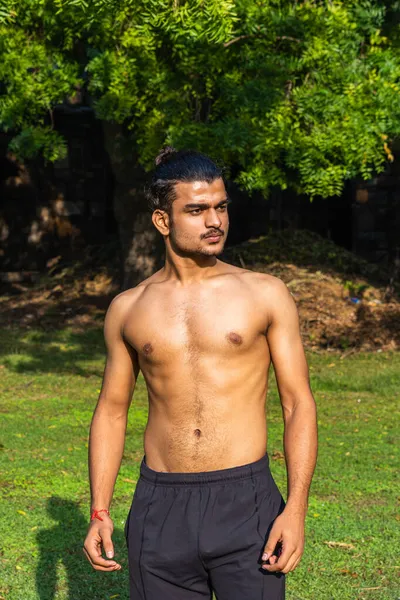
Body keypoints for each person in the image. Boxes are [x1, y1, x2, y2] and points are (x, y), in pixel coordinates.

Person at [83, 147, 318, 600]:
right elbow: (111, 412)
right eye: (196, 210)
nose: (215, 221)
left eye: (221, 207)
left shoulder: (264, 294)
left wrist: (296, 509)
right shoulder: (128, 308)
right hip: (160, 503)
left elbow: (297, 402)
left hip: (246, 500)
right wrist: (100, 510)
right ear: (162, 221)